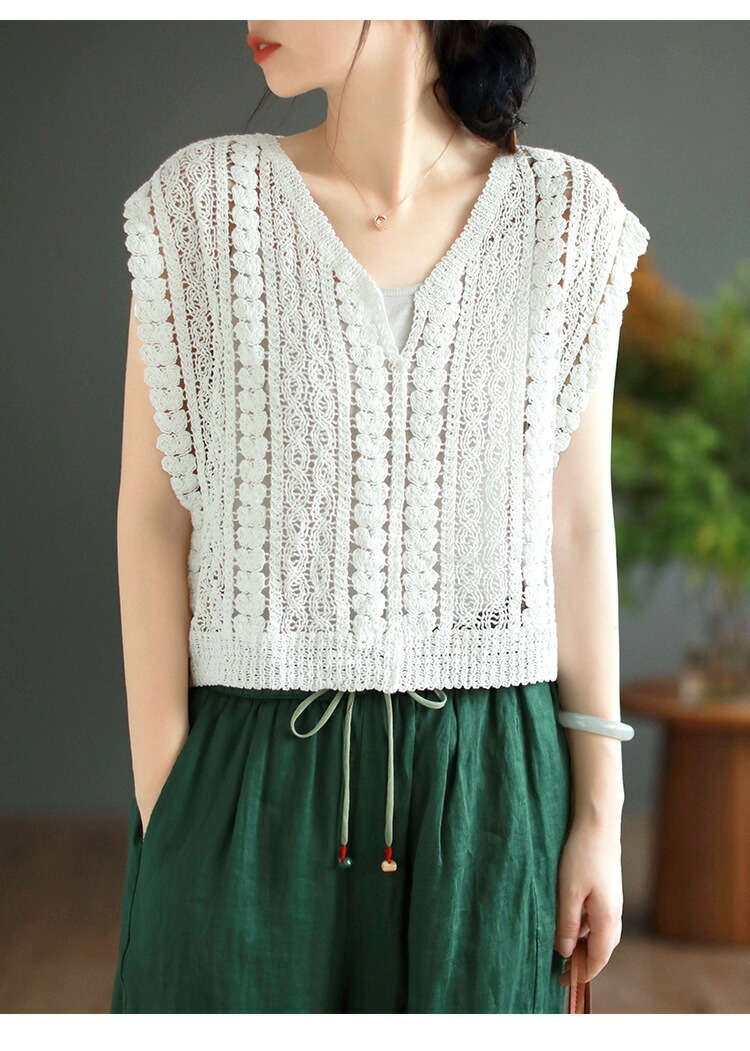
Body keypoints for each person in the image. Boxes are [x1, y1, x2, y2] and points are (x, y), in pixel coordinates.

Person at [110, 19, 647, 1014]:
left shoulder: (565, 218)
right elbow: (151, 512)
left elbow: (575, 525)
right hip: (246, 767)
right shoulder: (201, 207)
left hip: (491, 781)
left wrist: (599, 816)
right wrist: (165, 790)